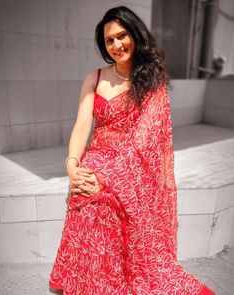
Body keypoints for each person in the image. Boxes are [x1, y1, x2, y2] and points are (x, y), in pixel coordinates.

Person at [49, 6, 215, 295]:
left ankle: (107, 284)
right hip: (97, 155)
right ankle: (92, 281)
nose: (116, 45)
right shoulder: (95, 78)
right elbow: (81, 126)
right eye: (109, 40)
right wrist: (72, 166)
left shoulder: (153, 82)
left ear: (135, 35)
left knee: (98, 198)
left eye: (122, 36)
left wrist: (105, 178)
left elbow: (141, 143)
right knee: (85, 193)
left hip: (133, 167)